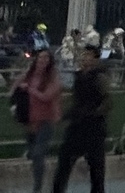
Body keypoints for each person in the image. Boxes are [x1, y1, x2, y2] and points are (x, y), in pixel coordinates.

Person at [51, 45, 108, 193]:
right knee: (64, 163)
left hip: (93, 128)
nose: (84, 58)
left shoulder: (100, 77)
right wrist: (66, 116)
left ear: (95, 59)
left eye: (88, 55)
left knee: (96, 169)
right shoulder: (79, 76)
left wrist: (94, 113)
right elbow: (76, 100)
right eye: (83, 55)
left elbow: (107, 102)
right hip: (77, 126)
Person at [12, 45, 62, 193]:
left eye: (46, 58)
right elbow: (14, 89)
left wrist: (30, 90)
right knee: (34, 155)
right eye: (41, 57)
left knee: (38, 153)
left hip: (45, 120)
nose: (43, 60)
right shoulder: (28, 75)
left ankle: (37, 187)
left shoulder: (53, 78)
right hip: (30, 120)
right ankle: (37, 180)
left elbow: (47, 96)